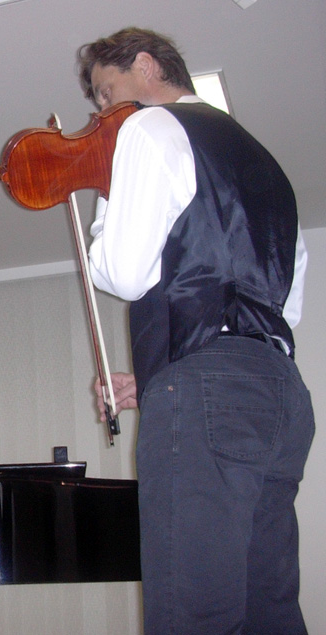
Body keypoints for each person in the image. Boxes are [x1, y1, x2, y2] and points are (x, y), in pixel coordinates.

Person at [76, 27, 315, 635]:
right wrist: (170, 372)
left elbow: (124, 273)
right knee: (269, 609)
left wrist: (106, 194)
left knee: (194, 612)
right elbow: (282, 307)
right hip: (282, 394)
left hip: (212, 387)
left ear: (146, 66)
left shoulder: (148, 127)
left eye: (105, 91)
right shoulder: (264, 162)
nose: (102, 111)